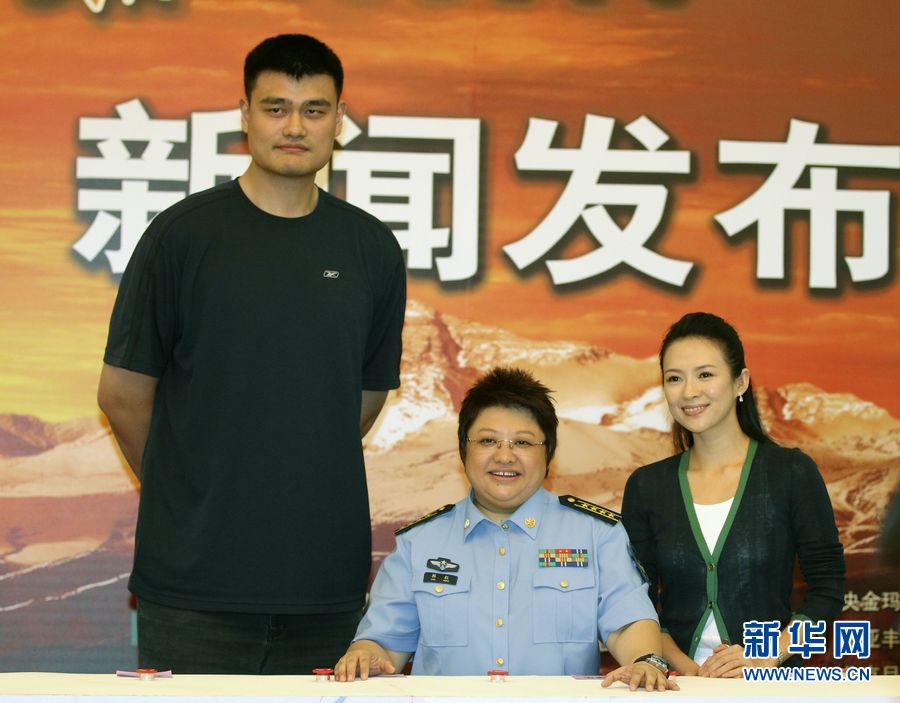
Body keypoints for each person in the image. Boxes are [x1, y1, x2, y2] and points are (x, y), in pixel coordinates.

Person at [97, 34, 406, 674]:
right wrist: (190, 491)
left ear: (339, 121)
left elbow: (363, 397)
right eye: (276, 107)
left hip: (324, 587)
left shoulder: (371, 249)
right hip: (192, 591)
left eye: (315, 110)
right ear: (244, 115)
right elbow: (122, 395)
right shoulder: (182, 236)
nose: (295, 126)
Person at [335, 367, 677, 691]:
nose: (504, 456)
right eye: (487, 441)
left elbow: (629, 620)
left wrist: (645, 660)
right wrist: (366, 656)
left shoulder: (596, 534)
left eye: (523, 443)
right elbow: (383, 642)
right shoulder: (419, 543)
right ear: (463, 450)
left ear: (549, 455)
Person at [621, 312, 845, 678]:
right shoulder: (647, 486)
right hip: (677, 685)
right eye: (674, 378)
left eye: (705, 374)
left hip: (770, 682)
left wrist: (767, 653)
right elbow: (635, 601)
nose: (689, 391)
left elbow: (828, 588)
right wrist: (690, 673)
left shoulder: (790, 473)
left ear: (740, 381)